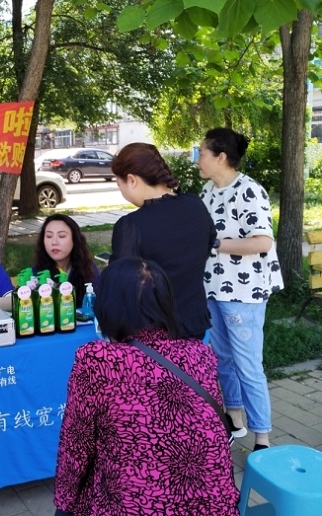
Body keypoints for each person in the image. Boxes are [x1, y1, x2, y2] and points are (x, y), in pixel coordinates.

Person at [53, 257, 239, 516]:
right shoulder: (200, 354)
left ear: (107, 306)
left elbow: (76, 447)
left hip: (134, 505)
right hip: (212, 505)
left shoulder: (98, 360)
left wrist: (64, 502)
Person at [198, 127, 284, 451]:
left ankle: (262, 437)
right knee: (222, 358)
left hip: (243, 293)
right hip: (214, 287)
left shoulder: (249, 191)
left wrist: (216, 244)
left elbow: (262, 242)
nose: (197, 159)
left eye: (201, 153)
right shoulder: (208, 191)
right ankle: (234, 418)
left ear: (221, 157)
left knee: (247, 364)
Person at [110, 142, 216, 339]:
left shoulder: (131, 225)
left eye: (119, 185)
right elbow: (209, 244)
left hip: (153, 334)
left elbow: (120, 286)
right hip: (195, 323)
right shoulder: (195, 205)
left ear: (132, 180)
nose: (122, 192)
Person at [33, 214, 100, 302]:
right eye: (49, 236)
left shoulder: (89, 268)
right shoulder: (37, 273)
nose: (54, 242)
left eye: (62, 236)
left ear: (74, 239)